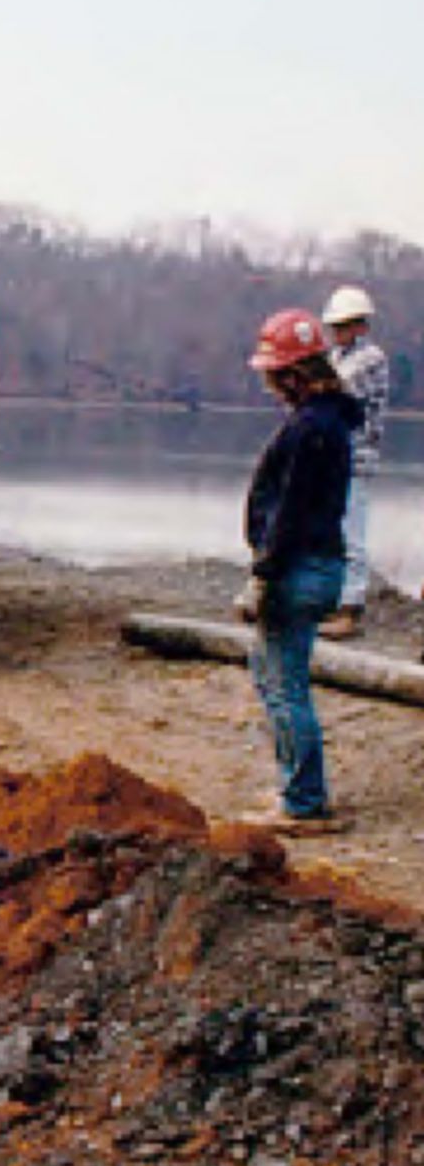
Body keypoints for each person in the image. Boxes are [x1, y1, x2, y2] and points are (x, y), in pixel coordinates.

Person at [238, 306, 361, 831]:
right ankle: (298, 788)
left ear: (293, 373)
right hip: (314, 564)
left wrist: (263, 576)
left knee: (285, 684)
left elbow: (291, 510)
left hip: (300, 568)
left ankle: (305, 802)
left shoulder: (313, 429)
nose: (270, 387)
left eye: (272, 376)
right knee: (273, 676)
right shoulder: (326, 422)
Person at [321, 282, 389, 638]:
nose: (337, 333)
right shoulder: (336, 359)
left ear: (361, 325)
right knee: (332, 531)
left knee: (352, 535)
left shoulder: (370, 359)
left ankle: (350, 607)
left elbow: (335, 390)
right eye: (335, 326)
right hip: (333, 458)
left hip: (356, 459)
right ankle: (331, 601)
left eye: (344, 326)